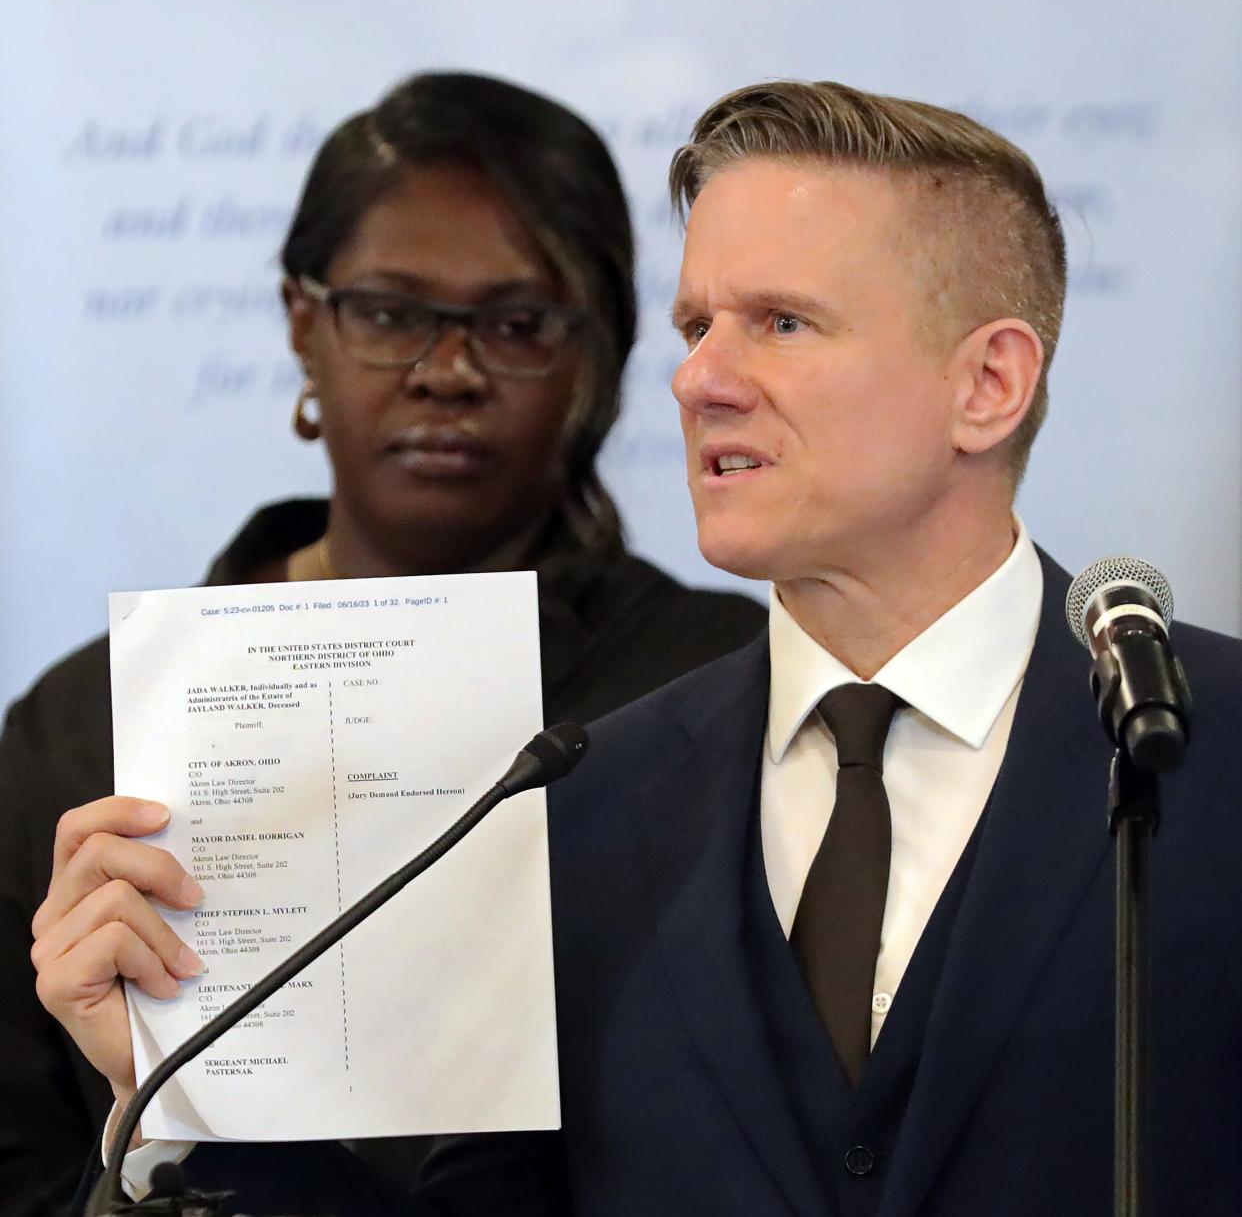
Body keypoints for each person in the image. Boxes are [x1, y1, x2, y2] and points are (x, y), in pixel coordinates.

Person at [36, 78, 1242, 1216]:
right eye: (695, 323)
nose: (699, 378)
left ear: (988, 383)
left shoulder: (1211, 745)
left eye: (781, 321)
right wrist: (178, 1101)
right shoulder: (575, 799)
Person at [0, 71, 765, 1216]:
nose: (446, 372)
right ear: (305, 323)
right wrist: (151, 1130)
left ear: (592, 352)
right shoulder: (87, 718)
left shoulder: (728, 683)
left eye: (515, 324)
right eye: (392, 312)